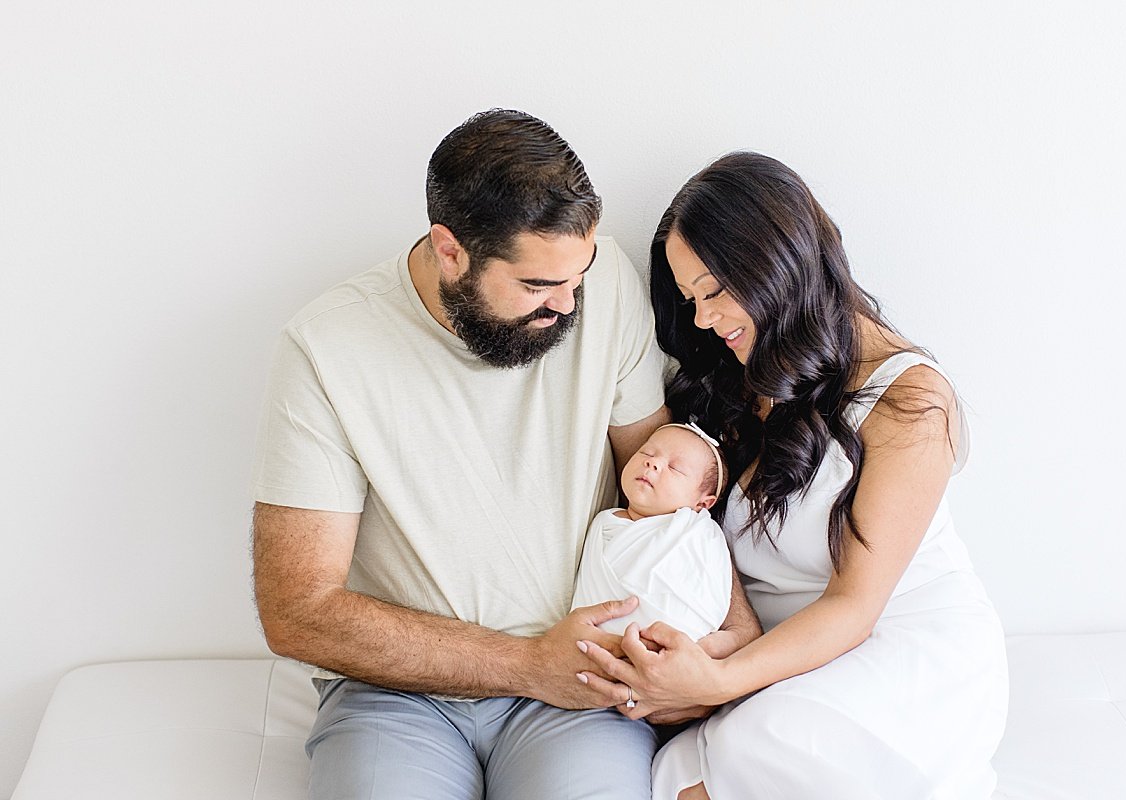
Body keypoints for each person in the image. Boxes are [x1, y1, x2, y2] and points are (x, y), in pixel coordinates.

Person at [249, 110, 758, 800]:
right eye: (538, 286)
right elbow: (297, 609)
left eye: (578, 276)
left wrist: (730, 643)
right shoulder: (327, 348)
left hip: (580, 686)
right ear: (450, 249)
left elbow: (666, 493)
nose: (568, 304)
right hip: (396, 696)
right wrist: (525, 664)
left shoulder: (599, 289)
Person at [577, 152, 1009, 799]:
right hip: (778, 655)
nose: (701, 319)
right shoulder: (735, 372)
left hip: (897, 643)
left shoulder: (909, 401)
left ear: (777, 264)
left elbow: (854, 605)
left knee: (760, 753)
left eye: (714, 292)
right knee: (677, 774)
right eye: (691, 297)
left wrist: (717, 682)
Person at [572, 422, 734, 642]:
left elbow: (705, 600)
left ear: (703, 504)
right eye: (646, 452)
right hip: (589, 643)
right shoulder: (603, 521)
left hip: (667, 648)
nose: (653, 462)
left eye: (675, 468)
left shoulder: (696, 533)